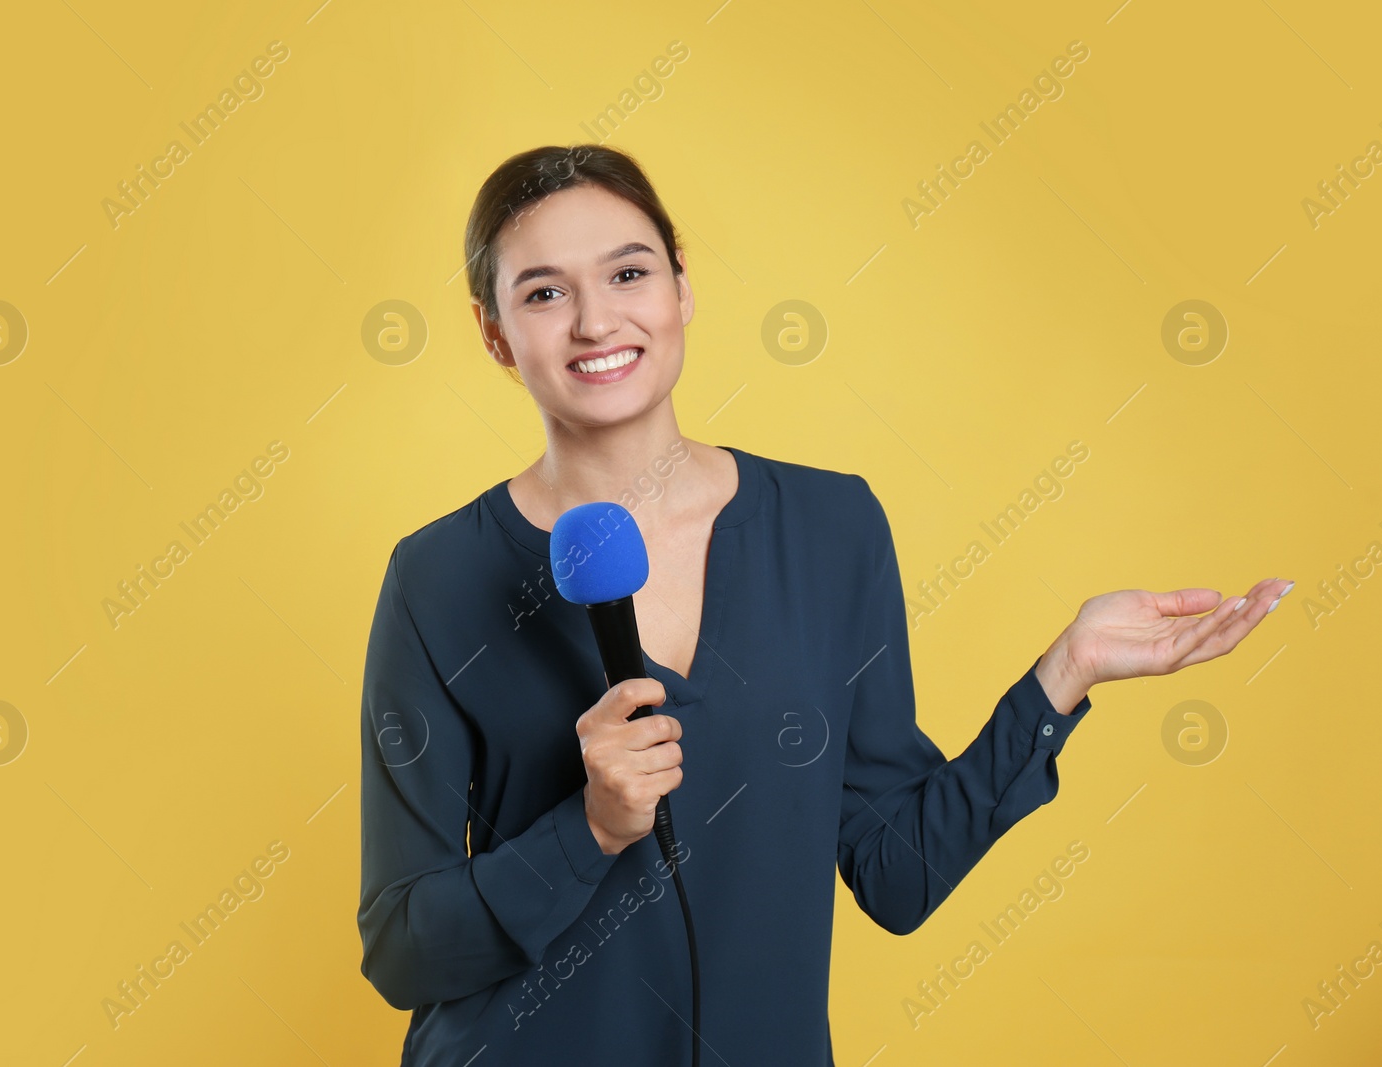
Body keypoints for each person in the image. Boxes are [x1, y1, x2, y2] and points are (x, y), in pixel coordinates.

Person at [357, 143, 1291, 1066]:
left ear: (681, 287)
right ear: (495, 335)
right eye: (545, 292)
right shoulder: (439, 577)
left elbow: (898, 873)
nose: (597, 321)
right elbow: (403, 947)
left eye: (628, 273)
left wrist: (1063, 677)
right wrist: (590, 827)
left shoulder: (832, 526)